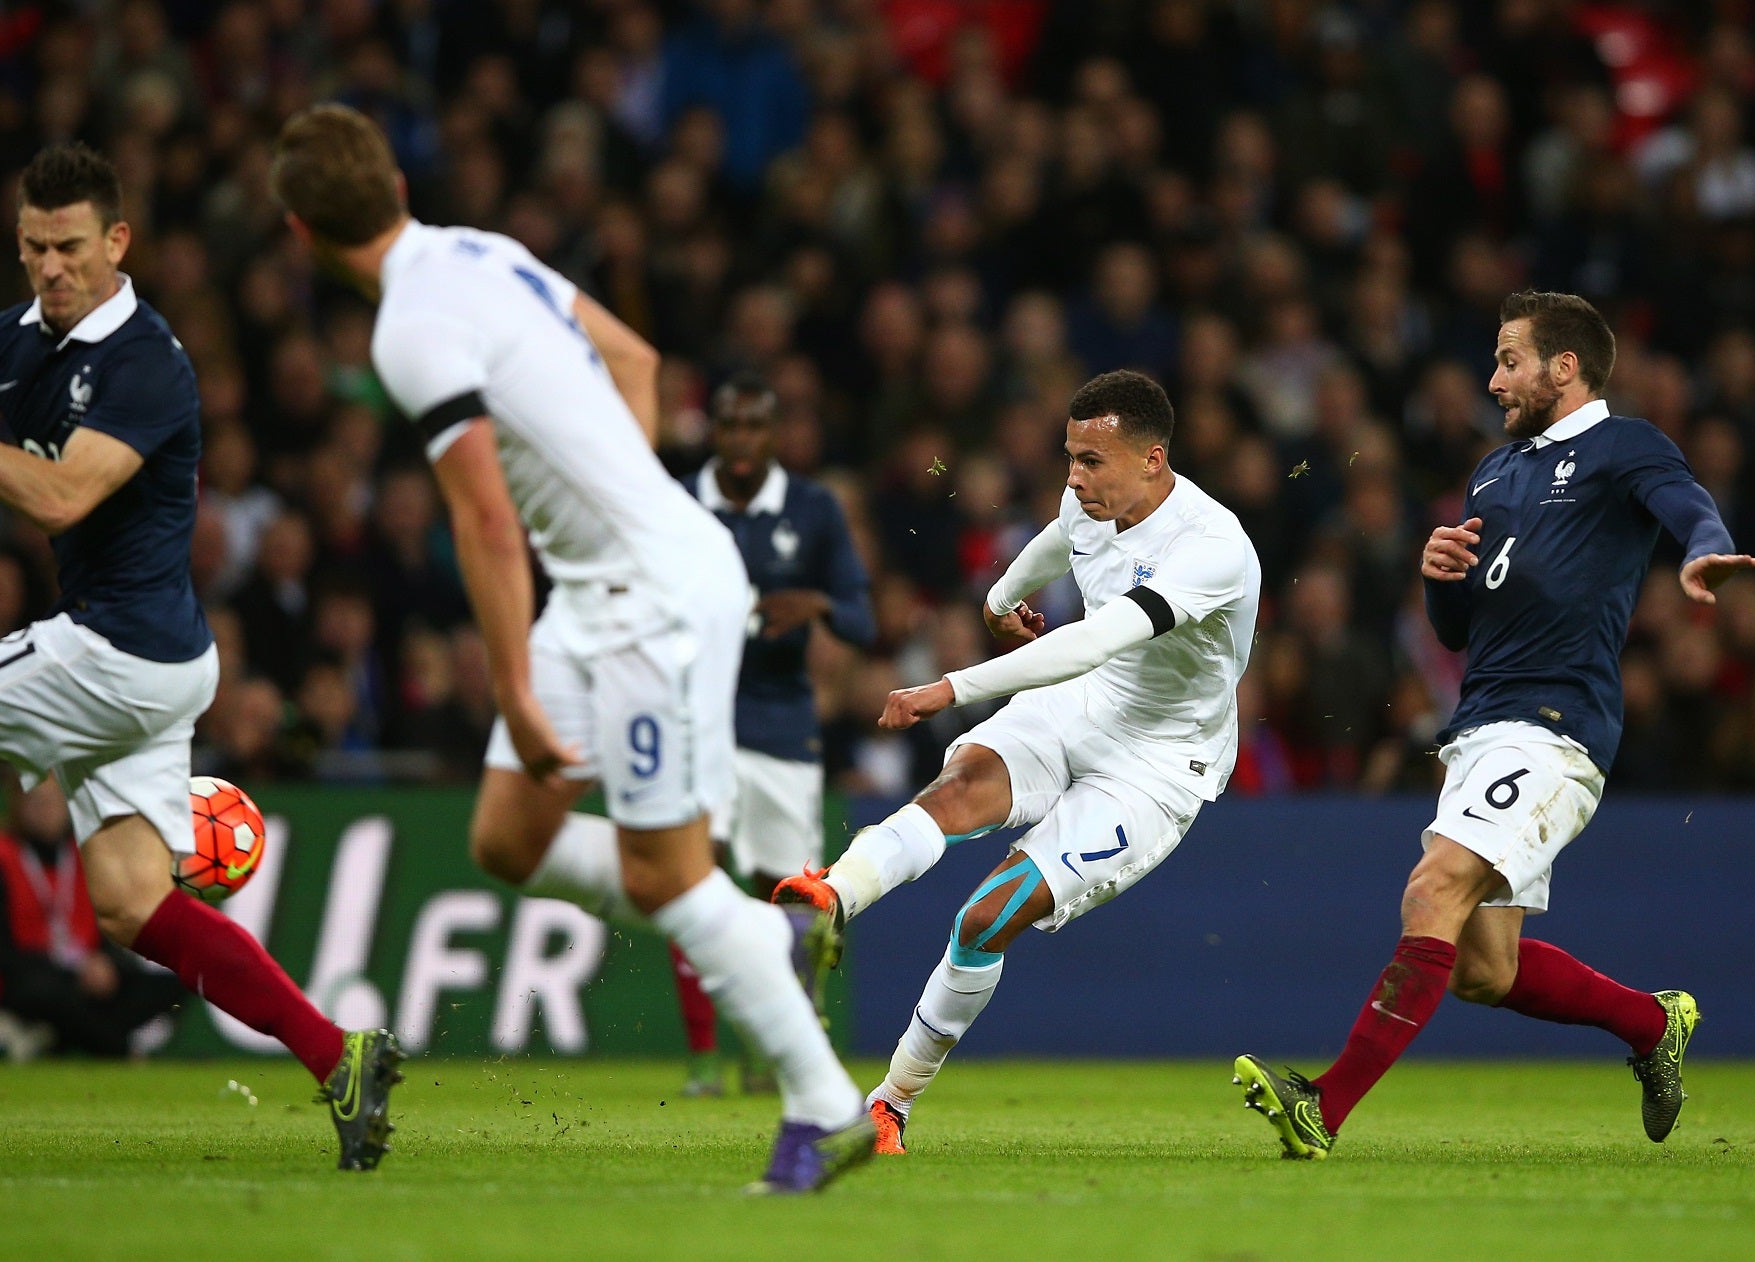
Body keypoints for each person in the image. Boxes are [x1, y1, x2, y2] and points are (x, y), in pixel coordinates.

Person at [269, 103, 876, 1193]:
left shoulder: (406, 328)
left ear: (299, 233)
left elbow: (487, 523)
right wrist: (615, 488)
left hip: (649, 595)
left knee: (660, 874)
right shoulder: (480, 251)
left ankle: (823, 1104)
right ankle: (755, 933)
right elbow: (636, 357)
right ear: (397, 192)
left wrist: (512, 676)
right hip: (597, 590)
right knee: (506, 837)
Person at [0, 143, 401, 1172]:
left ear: (117, 242)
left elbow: (58, 497)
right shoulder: (8, 337)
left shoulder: (148, 362)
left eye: (70, 247)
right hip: (158, 663)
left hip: (112, 649)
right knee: (134, 901)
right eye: (33, 247)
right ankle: (339, 1056)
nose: (51, 267)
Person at [1233, 291, 1755, 1159]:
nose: (1494, 378)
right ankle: (1652, 1021)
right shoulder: (1495, 472)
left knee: (1430, 889)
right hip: (1478, 724)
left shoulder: (1624, 445)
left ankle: (1321, 1107)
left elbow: (1682, 499)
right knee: (1485, 969)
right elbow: (1457, 629)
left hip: (1555, 726)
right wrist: (1441, 576)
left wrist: (1704, 544)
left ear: (1565, 366)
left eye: (1510, 360)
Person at [774, 369, 1262, 1154]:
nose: (1074, 476)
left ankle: (891, 1100)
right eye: (1069, 456)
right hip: (1081, 704)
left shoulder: (1211, 548)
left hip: (1159, 764)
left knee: (985, 918)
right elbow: (1059, 536)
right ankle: (832, 897)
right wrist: (1001, 600)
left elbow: (1097, 639)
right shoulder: (1089, 502)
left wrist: (951, 686)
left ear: (1153, 459)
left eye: (1092, 461)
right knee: (958, 789)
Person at [671, 372, 875, 1097]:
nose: (743, 441)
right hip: (694, 714)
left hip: (782, 719)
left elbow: (862, 619)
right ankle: (702, 1058)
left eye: (756, 426)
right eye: (731, 425)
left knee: (788, 896)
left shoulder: (813, 509)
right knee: (691, 878)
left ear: (774, 432)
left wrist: (816, 600)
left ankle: (778, 1049)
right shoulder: (676, 503)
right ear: (715, 429)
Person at [0, 776, 185, 1059]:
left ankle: (60, 1039)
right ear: (19, 805)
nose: (46, 810)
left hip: (83, 976)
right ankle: (122, 1051)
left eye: (53, 801)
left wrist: (105, 962)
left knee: (173, 982)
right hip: (27, 978)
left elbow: (104, 926)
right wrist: (67, 969)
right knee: (50, 993)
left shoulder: (83, 855)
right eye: (37, 801)